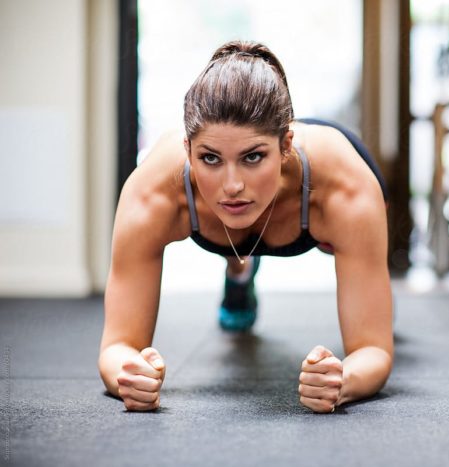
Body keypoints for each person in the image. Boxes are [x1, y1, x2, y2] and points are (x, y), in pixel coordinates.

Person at [98, 40, 394, 414]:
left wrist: (342, 380)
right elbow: (116, 347)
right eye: (210, 159)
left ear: (286, 144)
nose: (232, 184)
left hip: (315, 181)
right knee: (238, 232)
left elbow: (374, 350)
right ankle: (240, 265)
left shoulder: (344, 189)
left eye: (253, 157)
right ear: (187, 150)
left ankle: (244, 255)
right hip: (231, 219)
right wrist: (129, 374)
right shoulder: (152, 194)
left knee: (374, 222)